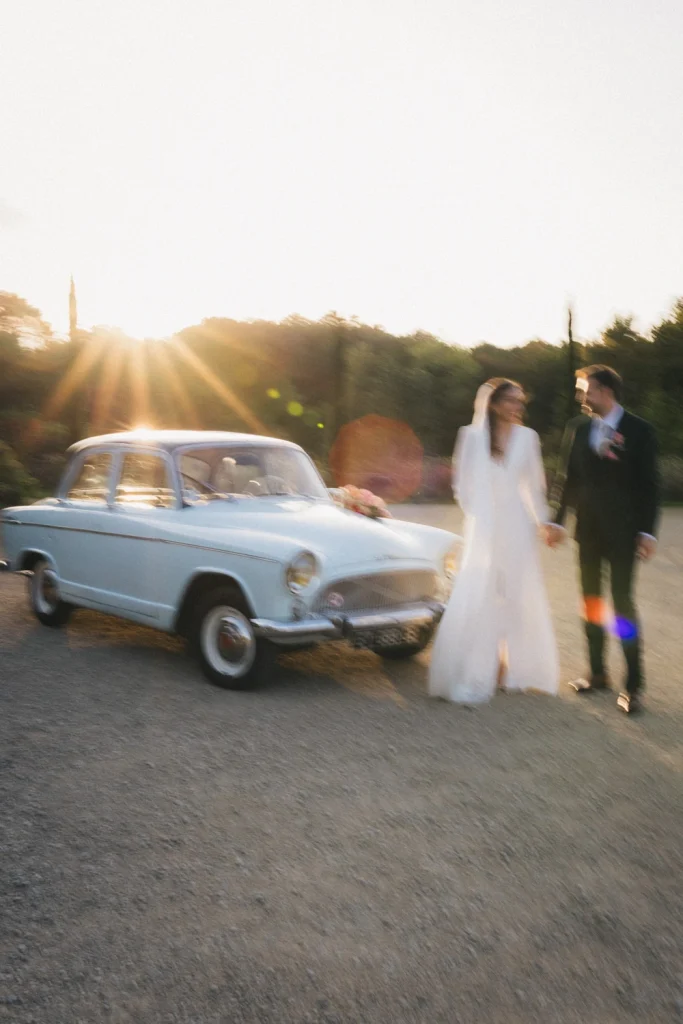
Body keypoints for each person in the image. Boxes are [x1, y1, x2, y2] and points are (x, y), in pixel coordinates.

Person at [428, 379, 559, 703]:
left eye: (520, 401)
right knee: (481, 592)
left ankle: (517, 670)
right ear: (495, 403)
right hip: (483, 526)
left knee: (516, 593)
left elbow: (533, 487)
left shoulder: (529, 438)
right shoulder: (471, 436)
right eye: (512, 400)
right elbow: (462, 485)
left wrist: (543, 522)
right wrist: (478, 515)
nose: (518, 406)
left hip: (517, 525)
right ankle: (480, 668)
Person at [547, 365, 660, 714]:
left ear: (606, 392)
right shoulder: (577, 428)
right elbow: (566, 479)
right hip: (589, 532)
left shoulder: (639, 431)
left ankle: (634, 686)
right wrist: (558, 521)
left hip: (625, 533)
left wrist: (647, 531)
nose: (581, 397)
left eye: (586, 390)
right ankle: (597, 674)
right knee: (591, 601)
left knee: (622, 605)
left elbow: (649, 485)